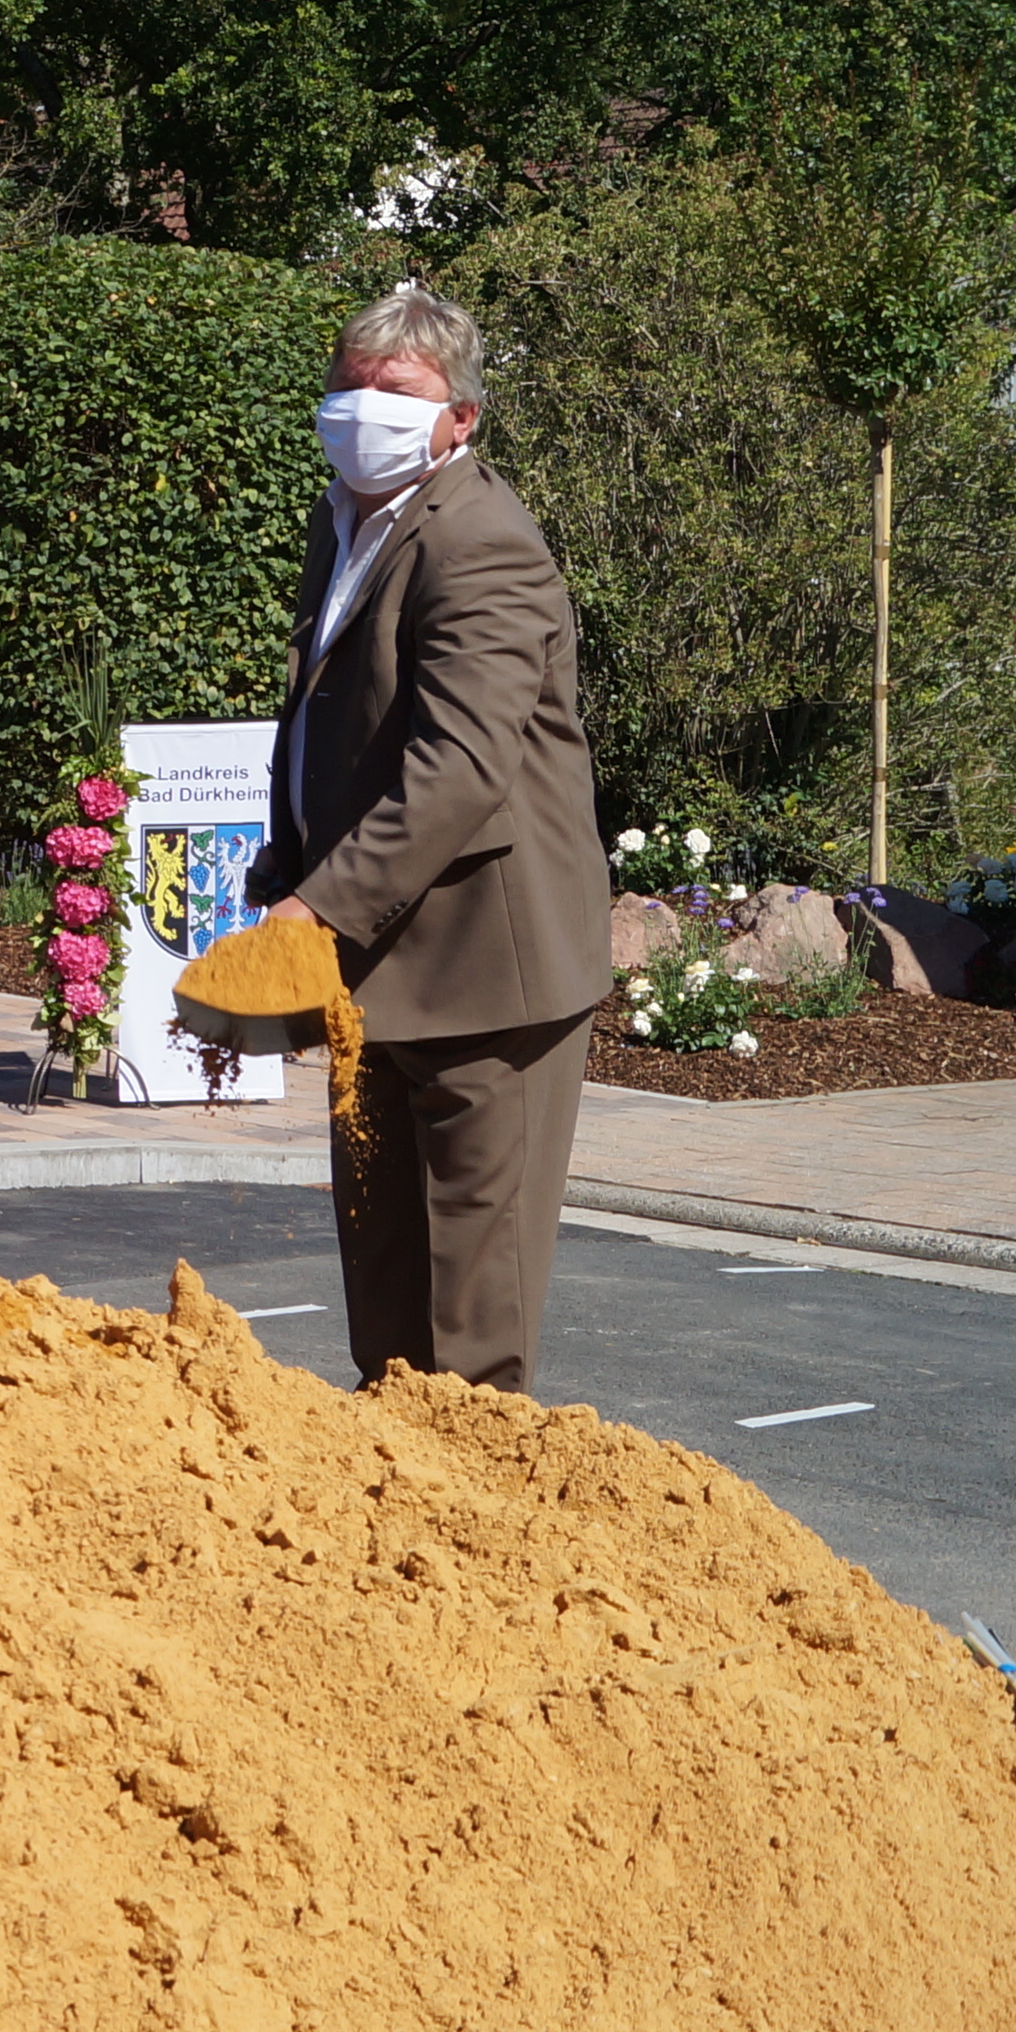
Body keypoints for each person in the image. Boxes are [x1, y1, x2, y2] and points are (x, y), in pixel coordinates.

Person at [246, 283, 611, 1395]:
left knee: (471, 1311)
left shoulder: (481, 542)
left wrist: (316, 906)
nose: (365, 411)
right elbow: (330, 712)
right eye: (348, 387)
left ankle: (484, 1497)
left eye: (397, 393)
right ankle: (394, 1482)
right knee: (386, 1289)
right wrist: (287, 863)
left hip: (483, 973)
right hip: (374, 965)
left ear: (461, 417)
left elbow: (458, 766)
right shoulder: (345, 516)